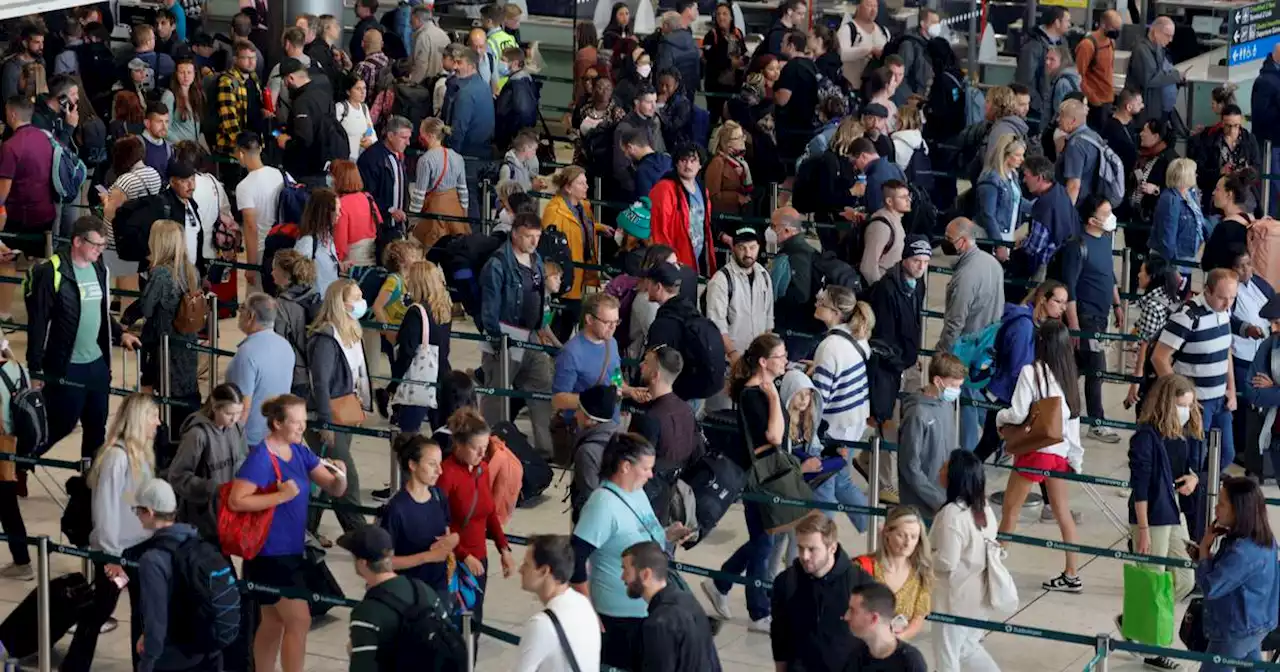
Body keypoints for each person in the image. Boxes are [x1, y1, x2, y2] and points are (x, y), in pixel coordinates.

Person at [227, 394, 346, 672]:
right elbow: (236, 500)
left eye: (304, 421)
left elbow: (334, 488)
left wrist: (340, 475)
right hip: (269, 554)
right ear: (277, 423)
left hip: (292, 551)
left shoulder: (300, 451)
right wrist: (279, 497)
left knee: (274, 621)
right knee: (299, 620)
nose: (302, 427)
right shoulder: (261, 458)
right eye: (296, 422)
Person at [572, 433, 692, 668]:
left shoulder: (636, 493)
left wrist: (669, 534)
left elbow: (641, 535)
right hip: (619, 618)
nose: (650, 474)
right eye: (646, 468)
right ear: (626, 466)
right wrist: (587, 610)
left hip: (648, 609)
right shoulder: (602, 505)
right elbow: (575, 559)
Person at [27, 216, 140, 459]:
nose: (100, 250)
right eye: (95, 245)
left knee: (96, 428)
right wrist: (35, 370)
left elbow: (98, 310)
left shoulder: (99, 268)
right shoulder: (51, 272)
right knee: (60, 426)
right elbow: (37, 325)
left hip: (96, 364)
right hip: (67, 365)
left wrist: (120, 333)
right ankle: (17, 465)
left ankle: (89, 486)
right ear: (77, 241)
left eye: (103, 245)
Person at [60, 393, 158, 672]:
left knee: (142, 614)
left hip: (140, 547)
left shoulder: (142, 454)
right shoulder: (116, 457)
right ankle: (74, 667)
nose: (158, 423)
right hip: (117, 552)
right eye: (153, 416)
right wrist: (111, 557)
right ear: (140, 419)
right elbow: (104, 510)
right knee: (99, 611)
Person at [702, 333, 787, 632]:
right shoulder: (755, 395)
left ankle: (721, 582)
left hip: (768, 475)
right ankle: (758, 611)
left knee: (764, 540)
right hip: (758, 478)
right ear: (764, 362)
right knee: (764, 543)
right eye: (780, 356)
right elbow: (775, 436)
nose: (785, 361)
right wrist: (776, 399)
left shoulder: (764, 390)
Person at [1119, 374, 1200, 671]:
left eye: (1189, 406)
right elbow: (1139, 486)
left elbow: (1184, 470)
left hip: (1172, 511)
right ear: (1168, 403)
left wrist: (1193, 478)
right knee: (1154, 580)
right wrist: (1142, 530)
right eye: (1182, 405)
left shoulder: (1180, 435)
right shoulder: (1145, 437)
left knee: (1184, 578)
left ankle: (1134, 621)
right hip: (1151, 516)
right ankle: (1154, 648)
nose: (1186, 411)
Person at [994, 320, 1083, 592]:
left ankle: (994, 568)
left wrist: (1000, 418)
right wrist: (1076, 459)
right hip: (1059, 452)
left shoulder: (1031, 372)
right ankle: (1072, 573)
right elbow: (1074, 422)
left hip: (1035, 451)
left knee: (1011, 510)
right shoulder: (1068, 375)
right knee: (1062, 512)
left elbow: (1018, 413)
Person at [438, 407, 516, 649]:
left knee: (474, 624)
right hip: (454, 563)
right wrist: (464, 555)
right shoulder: (446, 474)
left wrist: (503, 548)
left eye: (485, 447)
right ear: (458, 445)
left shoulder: (481, 470)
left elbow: (489, 512)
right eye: (476, 448)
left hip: (478, 561)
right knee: (454, 625)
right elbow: (439, 524)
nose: (483, 453)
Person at [1153, 268, 1239, 482]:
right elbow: (1159, 358)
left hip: (1219, 399)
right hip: (1197, 402)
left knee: (1227, 453)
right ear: (1207, 291)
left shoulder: (1224, 311)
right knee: (1195, 456)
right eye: (1222, 297)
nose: (1228, 304)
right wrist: (1182, 398)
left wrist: (1232, 389)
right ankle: (1195, 499)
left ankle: (1201, 488)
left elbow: (1225, 350)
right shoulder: (1187, 316)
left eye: (1232, 297)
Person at [133, 477, 227, 672]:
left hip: (174, 657)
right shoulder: (197, 542)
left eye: (138, 511)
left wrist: (148, 662)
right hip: (208, 651)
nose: (137, 516)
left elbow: (156, 620)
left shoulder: (153, 560)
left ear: (149, 513)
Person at [478, 213, 553, 453]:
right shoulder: (497, 264)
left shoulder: (537, 260)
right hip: (506, 337)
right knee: (497, 397)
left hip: (530, 335)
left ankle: (545, 450)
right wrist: (499, 341)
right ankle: (486, 447)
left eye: (537, 237)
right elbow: (488, 309)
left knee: (542, 389)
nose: (534, 242)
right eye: (529, 236)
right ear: (514, 234)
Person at [341, 524, 462, 672]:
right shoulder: (423, 589)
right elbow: (449, 637)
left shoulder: (366, 612)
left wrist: (353, 652)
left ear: (362, 563)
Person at [304, 279, 371, 539]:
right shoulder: (325, 339)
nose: (362, 301)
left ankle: (307, 529)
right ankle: (361, 536)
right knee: (346, 476)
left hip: (345, 410)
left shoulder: (351, 331)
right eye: (357, 297)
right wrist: (326, 423)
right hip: (327, 415)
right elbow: (319, 383)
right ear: (342, 304)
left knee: (326, 475)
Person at [1195, 477, 1280, 670]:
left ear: (1238, 509)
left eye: (1222, 504)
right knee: (1252, 664)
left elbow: (1210, 586)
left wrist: (1203, 552)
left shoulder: (1242, 551)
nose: (1216, 508)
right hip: (1258, 622)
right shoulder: (1264, 539)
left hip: (1235, 629)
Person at [770, 512, 873, 671]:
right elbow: (780, 636)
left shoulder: (860, 583)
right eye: (800, 548)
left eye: (812, 549)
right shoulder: (785, 582)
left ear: (832, 548)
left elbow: (872, 636)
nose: (804, 556)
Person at [930, 450, 1003, 671]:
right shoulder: (985, 510)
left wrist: (920, 556)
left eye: (944, 467)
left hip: (953, 598)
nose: (940, 471)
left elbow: (946, 561)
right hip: (977, 595)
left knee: (948, 656)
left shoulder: (952, 514)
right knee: (967, 649)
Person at [1060, 195, 1123, 443]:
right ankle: (1096, 422)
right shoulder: (1077, 246)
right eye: (1106, 213)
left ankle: (1059, 411)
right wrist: (1074, 325)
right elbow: (1070, 288)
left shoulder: (1105, 240)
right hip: (1085, 319)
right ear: (1092, 220)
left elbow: (1109, 275)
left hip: (1101, 314)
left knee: (1074, 368)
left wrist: (1117, 304)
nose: (1111, 218)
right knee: (1097, 367)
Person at [621, 540, 721, 672]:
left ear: (646, 574)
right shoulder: (687, 599)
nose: (622, 577)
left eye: (626, 570)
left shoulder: (658, 623)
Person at [380, 434, 456, 599]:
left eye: (440, 464)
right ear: (413, 465)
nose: (440, 471)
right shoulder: (396, 509)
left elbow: (447, 532)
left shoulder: (438, 496)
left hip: (440, 589)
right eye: (432, 464)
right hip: (410, 593)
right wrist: (426, 557)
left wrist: (451, 541)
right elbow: (384, 562)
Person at [139, 218, 201, 418]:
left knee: (158, 392)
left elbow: (147, 309)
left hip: (162, 343)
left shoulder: (160, 274)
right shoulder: (191, 270)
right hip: (187, 341)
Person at [705, 227, 773, 409]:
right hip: (728, 364)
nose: (748, 253)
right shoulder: (721, 280)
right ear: (733, 248)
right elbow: (716, 324)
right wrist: (734, 356)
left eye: (752, 247)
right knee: (724, 412)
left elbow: (768, 318)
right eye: (742, 247)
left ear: (759, 247)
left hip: (756, 363)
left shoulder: (764, 276)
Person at [167, 382, 245, 541]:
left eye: (239, 413)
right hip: (200, 521)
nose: (234, 419)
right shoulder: (197, 435)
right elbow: (177, 476)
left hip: (226, 516)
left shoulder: (236, 428)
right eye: (229, 413)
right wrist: (211, 488)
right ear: (215, 408)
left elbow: (243, 461)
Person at [866, 234, 929, 427]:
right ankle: (876, 456)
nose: (921, 267)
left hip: (906, 360)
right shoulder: (886, 289)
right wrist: (898, 363)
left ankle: (870, 458)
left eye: (926, 262)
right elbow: (883, 337)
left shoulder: (918, 284)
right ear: (904, 258)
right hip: (889, 366)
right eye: (916, 260)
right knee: (883, 418)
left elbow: (916, 322)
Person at [515, 534, 603, 671]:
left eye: (526, 564)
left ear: (544, 571)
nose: (520, 570)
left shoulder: (542, 624)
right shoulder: (583, 604)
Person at [388, 259, 452, 434]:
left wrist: (395, 383)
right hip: (442, 375)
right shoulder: (444, 309)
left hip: (420, 380)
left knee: (408, 435)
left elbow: (407, 352)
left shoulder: (416, 312)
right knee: (442, 434)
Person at [543, 166, 606, 340]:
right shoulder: (554, 211)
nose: (586, 187)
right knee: (562, 324)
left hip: (581, 272)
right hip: (565, 278)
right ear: (568, 187)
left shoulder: (583, 206)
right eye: (581, 183)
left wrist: (599, 227)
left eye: (586, 183)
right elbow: (548, 245)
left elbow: (581, 226)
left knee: (572, 318)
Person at [224, 293, 296, 448]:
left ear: (251, 316)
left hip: (250, 440)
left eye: (242, 308)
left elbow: (243, 405)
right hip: (275, 434)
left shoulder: (247, 352)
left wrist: (230, 442)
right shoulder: (285, 346)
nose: (239, 313)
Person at [898, 353, 965, 515]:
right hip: (922, 504)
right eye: (954, 385)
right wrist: (937, 500)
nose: (957, 391)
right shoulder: (917, 414)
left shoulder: (946, 404)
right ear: (937, 381)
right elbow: (910, 466)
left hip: (947, 496)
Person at [650, 143, 715, 274]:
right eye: (683, 160)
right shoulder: (664, 188)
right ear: (676, 163)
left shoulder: (703, 190)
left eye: (693, 161)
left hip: (697, 259)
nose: (688, 165)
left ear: (700, 164)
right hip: (675, 261)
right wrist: (667, 261)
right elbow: (659, 230)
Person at [447, 47, 496, 222]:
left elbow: (459, 129)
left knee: (469, 203)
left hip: (467, 157)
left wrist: (451, 157)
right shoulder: (483, 86)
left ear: (471, 65)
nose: (455, 67)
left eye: (459, 62)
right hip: (483, 154)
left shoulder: (466, 94)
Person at [407, 116, 467, 250]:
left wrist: (412, 220)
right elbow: (463, 191)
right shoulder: (458, 157)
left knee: (433, 251)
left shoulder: (425, 160)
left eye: (421, 133)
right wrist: (464, 214)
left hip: (434, 214)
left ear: (429, 136)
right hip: (455, 211)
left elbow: (419, 195)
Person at [276, 58, 338, 184]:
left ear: (291, 78)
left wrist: (286, 143)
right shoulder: (324, 94)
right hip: (323, 163)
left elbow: (304, 139)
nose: (285, 85)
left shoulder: (302, 101)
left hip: (304, 169)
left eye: (284, 80)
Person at [233, 132, 283, 289]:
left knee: (257, 303)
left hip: (262, 250)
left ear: (241, 153)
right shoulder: (278, 174)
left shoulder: (244, 186)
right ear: (260, 149)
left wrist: (251, 266)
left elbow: (250, 226)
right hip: (282, 242)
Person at [843, 582, 930, 671]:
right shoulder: (855, 656)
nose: (846, 617)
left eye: (853, 611)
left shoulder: (911, 662)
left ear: (874, 618)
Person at [1193, 105, 1261, 213]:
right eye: (1228, 126)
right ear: (1222, 123)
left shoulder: (1249, 140)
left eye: (1236, 126)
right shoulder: (1210, 140)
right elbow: (1199, 170)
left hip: (1243, 197)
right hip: (1217, 197)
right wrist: (1219, 171)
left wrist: (1245, 172)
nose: (1232, 130)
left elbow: (1257, 168)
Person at [569, 385, 623, 522]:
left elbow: (591, 498)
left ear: (589, 417)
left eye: (579, 410)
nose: (575, 415)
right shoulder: (620, 437)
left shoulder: (587, 452)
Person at [1015, 6, 1070, 130]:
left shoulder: (1062, 43)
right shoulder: (1033, 46)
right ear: (1057, 22)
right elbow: (1024, 80)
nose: (1069, 24)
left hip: (1055, 110)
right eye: (1067, 20)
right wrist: (1039, 106)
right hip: (1038, 113)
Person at [1151, 157, 1204, 283]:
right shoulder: (1170, 199)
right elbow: (1167, 236)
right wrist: (1172, 267)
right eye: (1193, 172)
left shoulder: (1191, 195)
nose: (1196, 175)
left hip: (1187, 258)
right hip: (1173, 261)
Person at [975, 135, 1027, 256]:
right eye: (1018, 155)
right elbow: (988, 215)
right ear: (1005, 155)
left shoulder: (1012, 176)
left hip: (1007, 233)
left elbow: (1016, 201)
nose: (1022, 159)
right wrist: (998, 243)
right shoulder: (991, 179)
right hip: (991, 237)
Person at [613, 84, 666, 201]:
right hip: (633, 194)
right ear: (637, 103)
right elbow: (621, 167)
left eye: (655, 101)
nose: (653, 106)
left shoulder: (652, 123)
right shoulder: (624, 128)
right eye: (648, 102)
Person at [773, 31, 819, 163]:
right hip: (810, 124)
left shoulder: (792, 67)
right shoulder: (812, 65)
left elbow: (782, 99)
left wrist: (771, 93)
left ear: (791, 46)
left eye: (784, 43)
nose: (781, 44)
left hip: (792, 126)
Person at [1127, 17, 1182, 126]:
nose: (1170, 40)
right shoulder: (1141, 50)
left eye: (1172, 36)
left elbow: (1162, 71)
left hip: (1157, 106)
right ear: (1155, 32)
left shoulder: (1158, 48)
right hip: (1145, 108)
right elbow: (1150, 79)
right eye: (1168, 35)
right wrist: (1175, 76)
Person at [213, 40, 263, 156]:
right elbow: (229, 119)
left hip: (254, 143)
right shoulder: (227, 81)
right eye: (246, 58)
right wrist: (243, 146)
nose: (251, 62)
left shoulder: (253, 78)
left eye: (253, 58)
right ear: (235, 59)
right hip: (234, 147)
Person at [329, 159, 379, 270]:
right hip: (374, 255)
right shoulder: (368, 197)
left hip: (352, 262)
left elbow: (340, 243)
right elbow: (378, 223)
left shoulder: (340, 204)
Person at [292, 187, 342, 297]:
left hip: (329, 299)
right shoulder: (307, 242)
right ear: (325, 212)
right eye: (337, 210)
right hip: (316, 302)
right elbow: (299, 276)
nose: (340, 214)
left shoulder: (327, 236)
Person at [1076, 10, 1122, 127]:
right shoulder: (1087, 45)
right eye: (1113, 27)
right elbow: (1079, 76)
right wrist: (1093, 99)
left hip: (1108, 99)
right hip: (1095, 102)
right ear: (1103, 25)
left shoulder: (1111, 42)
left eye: (1118, 28)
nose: (1116, 31)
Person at [860, 179, 910, 285]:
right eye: (903, 197)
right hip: (881, 289)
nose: (908, 200)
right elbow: (868, 267)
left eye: (908, 196)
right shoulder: (881, 226)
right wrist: (880, 292)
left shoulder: (895, 220)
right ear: (889, 201)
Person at [702, 3, 744, 124]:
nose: (721, 17)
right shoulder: (711, 35)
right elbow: (710, 59)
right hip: (716, 87)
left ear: (731, 17)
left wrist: (743, 61)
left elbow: (744, 52)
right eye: (719, 14)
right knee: (713, 119)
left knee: (731, 120)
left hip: (734, 87)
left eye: (725, 14)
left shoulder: (737, 34)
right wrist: (731, 63)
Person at [704, 120, 752, 217]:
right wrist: (737, 197)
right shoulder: (718, 162)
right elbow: (712, 196)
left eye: (743, 136)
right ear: (727, 143)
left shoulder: (740, 162)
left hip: (738, 214)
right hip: (723, 217)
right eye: (738, 138)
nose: (743, 140)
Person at [835, 0, 886, 88]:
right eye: (869, 5)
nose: (873, 10)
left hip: (875, 90)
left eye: (875, 6)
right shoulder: (848, 30)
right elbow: (841, 54)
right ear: (858, 7)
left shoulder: (883, 31)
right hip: (852, 87)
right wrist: (869, 50)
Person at [159, 58, 202, 145]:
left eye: (189, 72)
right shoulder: (169, 96)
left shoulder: (195, 94)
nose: (186, 76)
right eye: (182, 73)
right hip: (178, 148)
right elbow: (164, 128)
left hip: (192, 149)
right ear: (176, 74)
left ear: (194, 74)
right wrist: (181, 143)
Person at [335, 76, 375, 163]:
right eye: (358, 88)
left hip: (362, 158)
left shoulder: (364, 108)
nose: (363, 92)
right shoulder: (340, 108)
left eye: (364, 88)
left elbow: (369, 127)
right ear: (348, 91)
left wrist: (369, 138)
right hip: (344, 160)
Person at [409, 5, 449, 83]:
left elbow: (421, 66)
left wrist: (412, 83)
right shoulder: (443, 34)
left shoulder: (422, 37)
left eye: (411, 20)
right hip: (441, 81)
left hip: (426, 84)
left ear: (417, 19)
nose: (410, 23)